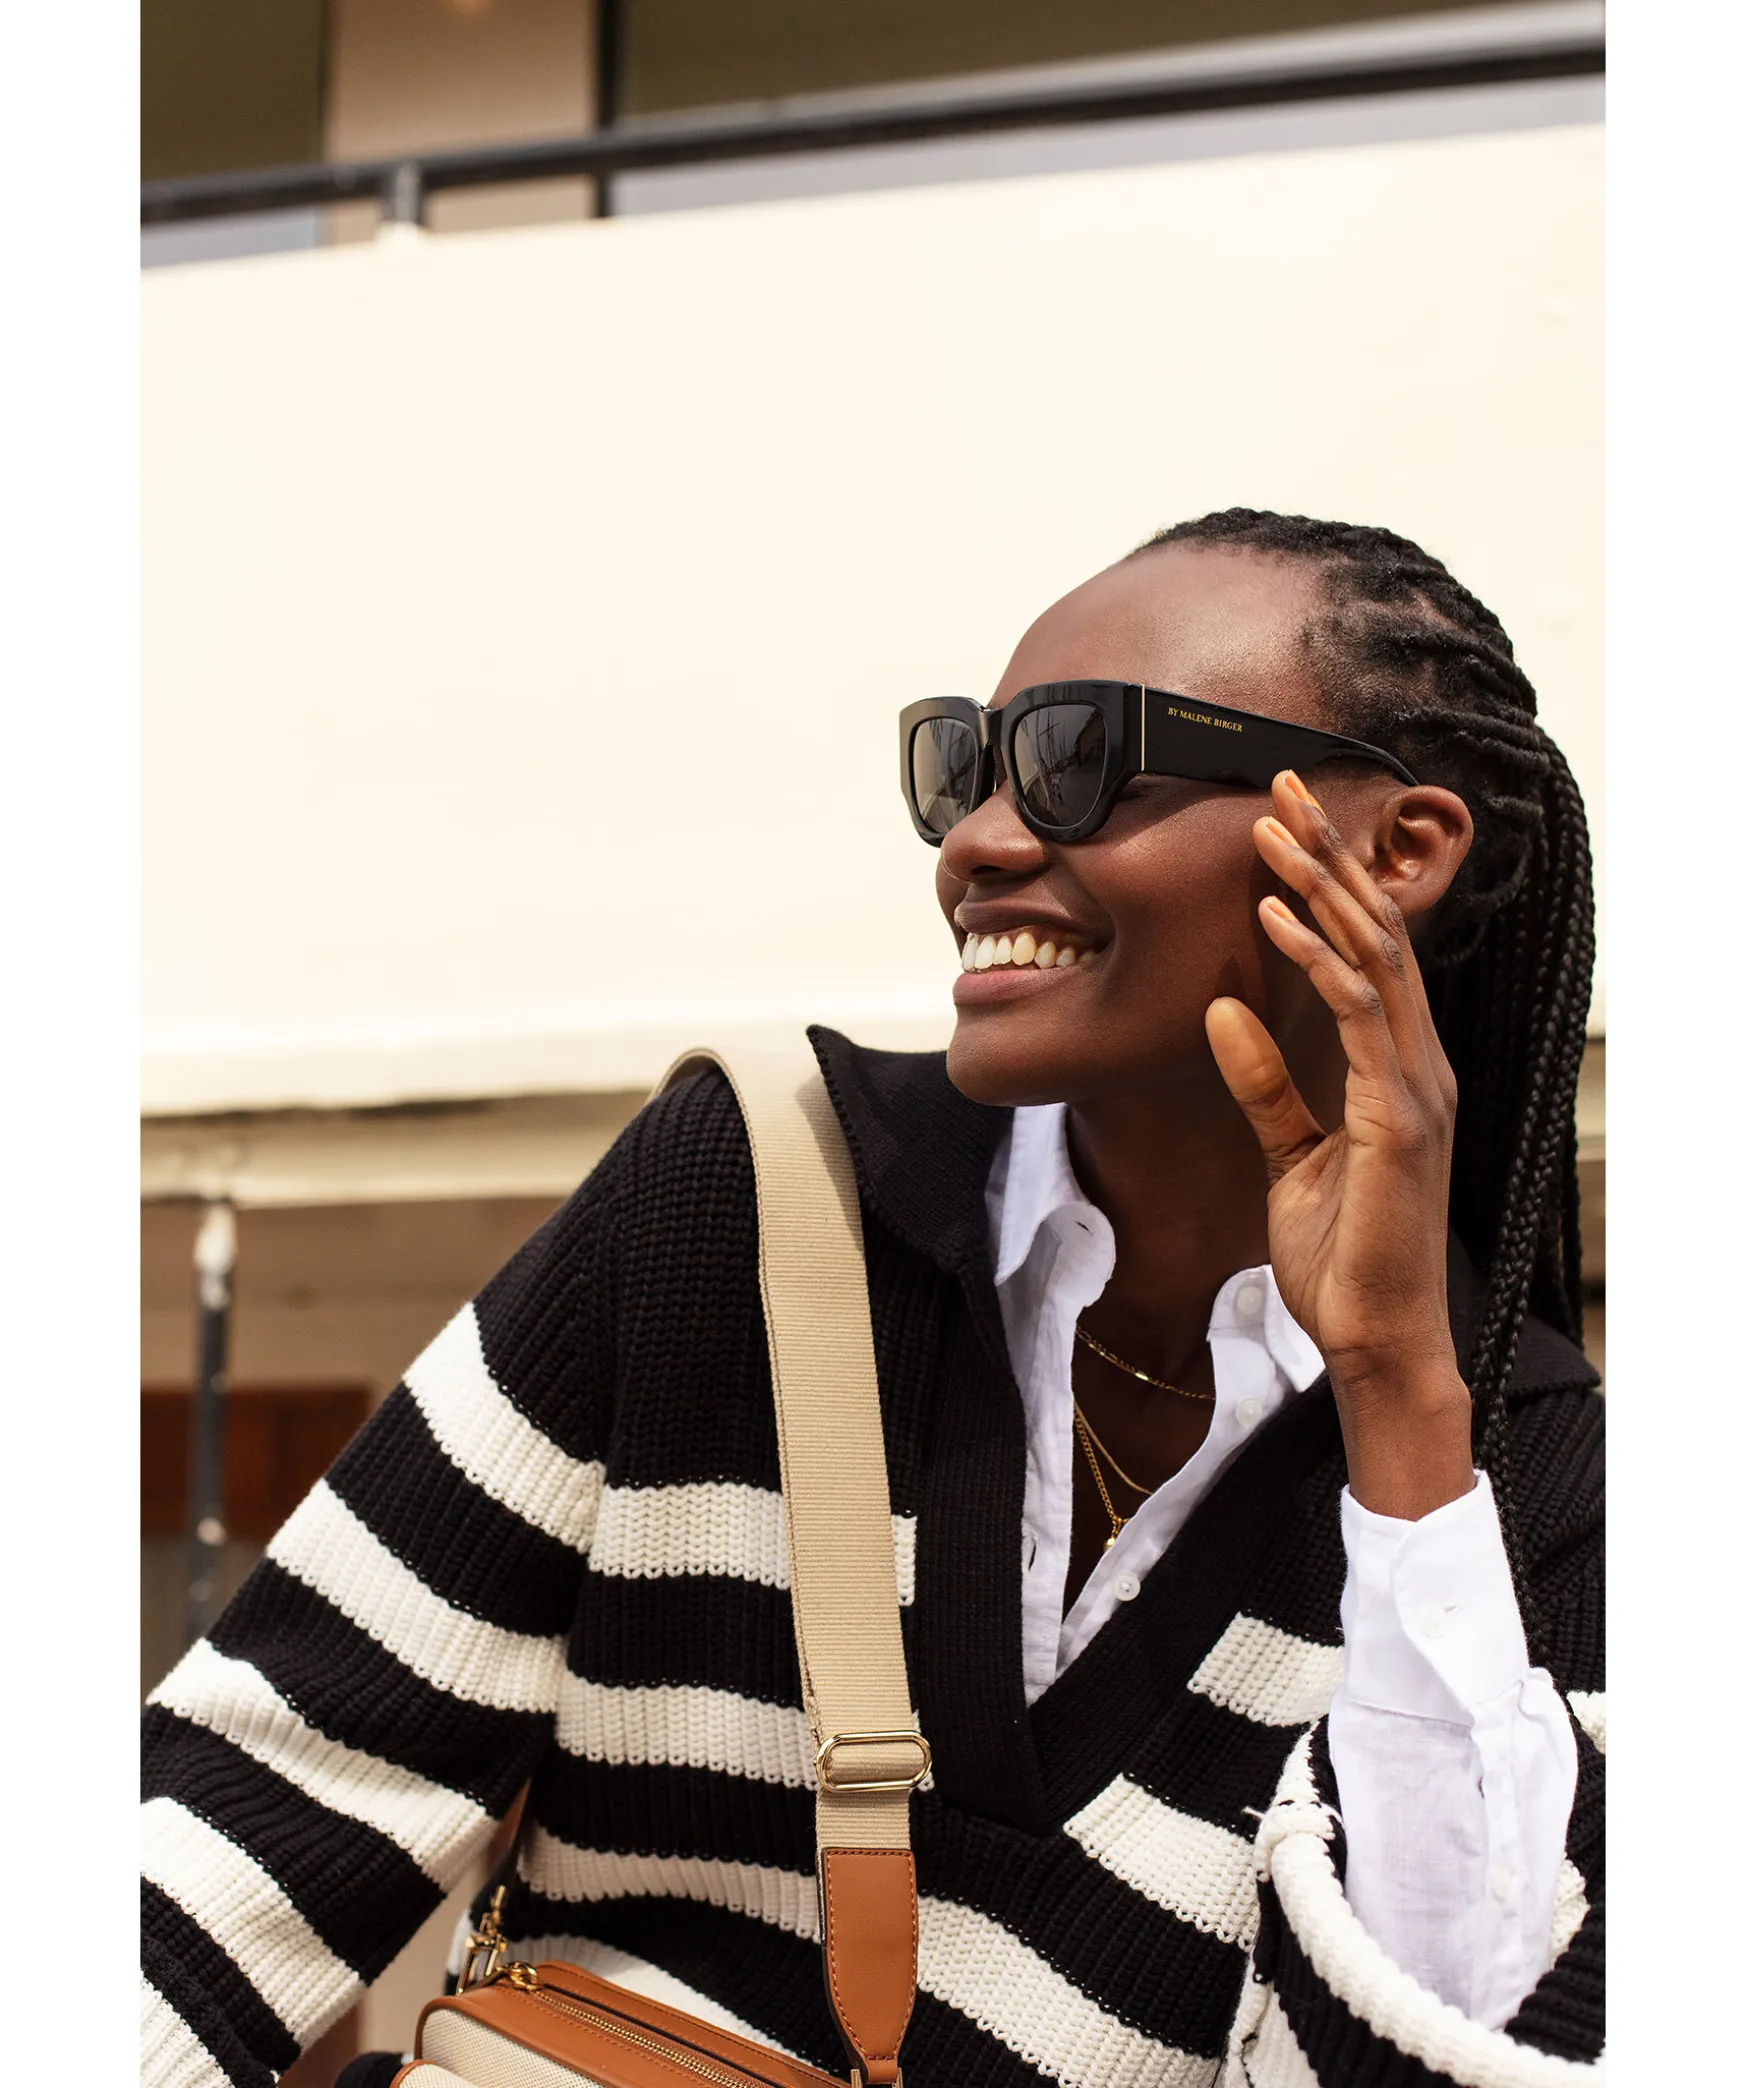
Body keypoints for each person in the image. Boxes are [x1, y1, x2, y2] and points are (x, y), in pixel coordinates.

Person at [141, 510, 1604, 2088]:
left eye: (1080, 761)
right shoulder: (749, 1194)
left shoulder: (1532, 1495)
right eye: (963, 766)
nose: (976, 842)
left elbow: (1438, 2049)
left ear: (1398, 848)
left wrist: (1394, 1392)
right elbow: (258, 1806)